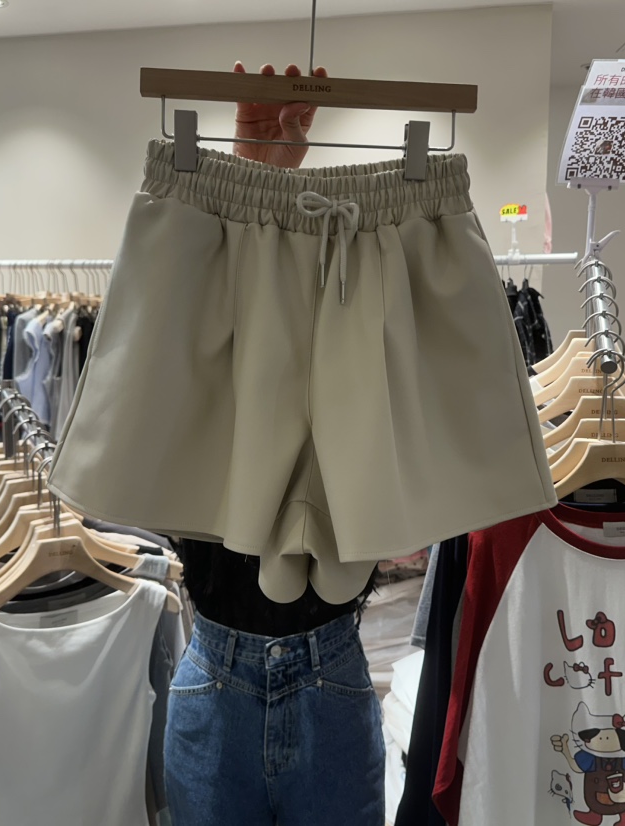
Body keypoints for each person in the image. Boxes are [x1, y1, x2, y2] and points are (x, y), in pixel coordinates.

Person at [162, 63, 385, 826]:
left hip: (330, 662)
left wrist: (268, 183)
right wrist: (251, 178)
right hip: (220, 664)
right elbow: (200, 335)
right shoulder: (198, 327)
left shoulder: (348, 304)